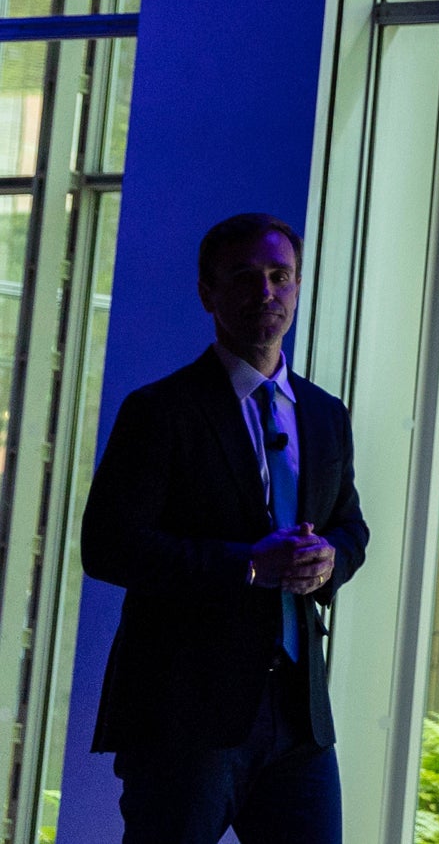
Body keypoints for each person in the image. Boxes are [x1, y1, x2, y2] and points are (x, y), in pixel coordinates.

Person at [79, 213, 365, 844]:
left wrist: (328, 561)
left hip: (300, 719)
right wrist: (249, 565)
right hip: (185, 716)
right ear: (208, 293)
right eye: (243, 276)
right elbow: (108, 547)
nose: (265, 291)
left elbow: (351, 527)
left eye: (279, 275)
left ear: (296, 286)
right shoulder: (161, 412)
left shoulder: (325, 415)